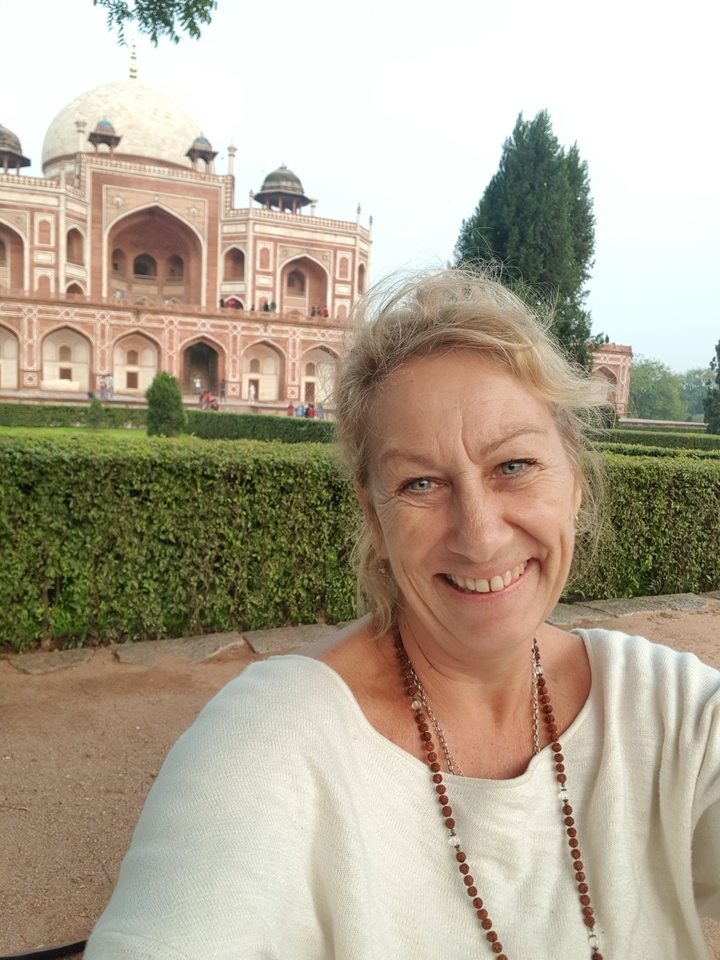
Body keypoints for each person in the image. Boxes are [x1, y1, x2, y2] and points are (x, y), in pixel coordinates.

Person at [85, 270, 720, 959]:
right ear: (375, 517)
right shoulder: (272, 743)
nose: (479, 535)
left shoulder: (667, 712)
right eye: (421, 482)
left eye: (514, 465)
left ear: (574, 478)